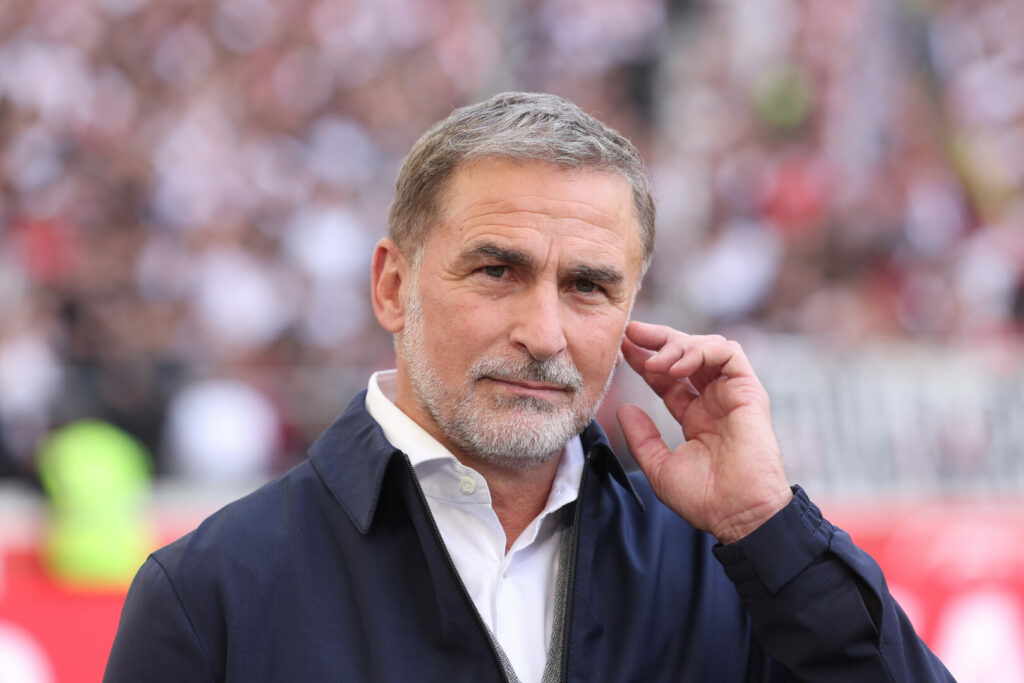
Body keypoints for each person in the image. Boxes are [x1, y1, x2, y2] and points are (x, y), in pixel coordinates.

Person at [104, 92, 953, 682]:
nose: (544, 333)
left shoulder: (733, 570)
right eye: (497, 271)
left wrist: (769, 527)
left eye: (588, 285)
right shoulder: (213, 592)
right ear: (393, 286)